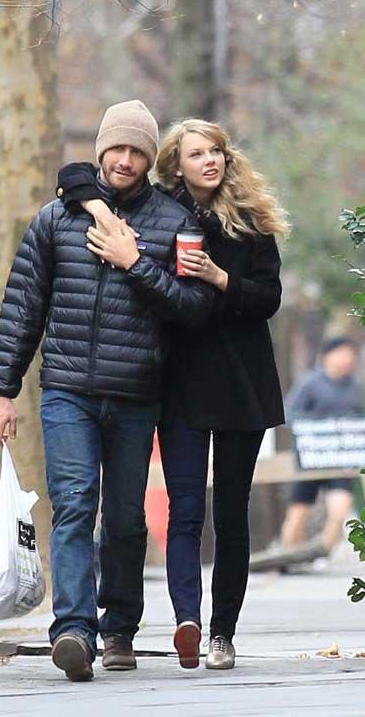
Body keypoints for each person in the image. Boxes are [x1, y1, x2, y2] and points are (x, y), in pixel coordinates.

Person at [0, 101, 213, 683]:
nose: (127, 160)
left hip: (138, 395)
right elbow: (21, 309)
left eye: (138, 151)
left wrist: (136, 262)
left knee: (125, 519)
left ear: (148, 158)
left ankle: (119, 629)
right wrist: (2, 391)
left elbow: (192, 309)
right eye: (118, 148)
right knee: (74, 504)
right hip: (66, 392)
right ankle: (73, 632)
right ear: (101, 149)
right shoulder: (56, 219)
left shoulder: (173, 222)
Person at [57, 118, 290, 670]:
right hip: (181, 381)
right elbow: (75, 176)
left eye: (216, 151)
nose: (209, 160)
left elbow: (268, 299)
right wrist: (95, 207)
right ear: (175, 164)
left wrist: (218, 278)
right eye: (196, 153)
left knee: (231, 512)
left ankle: (222, 634)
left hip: (242, 384)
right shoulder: (165, 212)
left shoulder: (252, 223)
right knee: (184, 508)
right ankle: (187, 617)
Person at [280, 336, 363, 554]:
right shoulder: (310, 383)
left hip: (340, 461)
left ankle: (321, 550)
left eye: (351, 356)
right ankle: (288, 553)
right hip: (310, 460)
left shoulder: (354, 387)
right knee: (298, 511)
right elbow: (290, 414)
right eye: (343, 354)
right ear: (328, 355)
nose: (347, 360)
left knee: (340, 508)